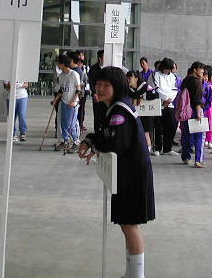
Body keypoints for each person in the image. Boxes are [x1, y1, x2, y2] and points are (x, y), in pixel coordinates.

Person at [78, 66, 155, 278]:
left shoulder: (119, 111)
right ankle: (131, 273)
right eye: (98, 84)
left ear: (118, 87)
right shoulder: (114, 107)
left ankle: (137, 275)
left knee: (130, 226)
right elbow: (106, 135)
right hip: (127, 172)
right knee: (126, 224)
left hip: (132, 175)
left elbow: (116, 144)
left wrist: (95, 145)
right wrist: (91, 140)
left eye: (106, 85)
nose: (100, 88)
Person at [51, 54, 82, 152]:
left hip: (72, 103)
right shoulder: (61, 76)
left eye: (59, 63)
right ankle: (65, 141)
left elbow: (78, 90)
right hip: (64, 101)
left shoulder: (74, 74)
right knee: (63, 123)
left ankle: (76, 142)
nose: (58, 65)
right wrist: (56, 100)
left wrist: (73, 101)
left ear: (63, 64)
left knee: (71, 124)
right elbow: (61, 90)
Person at [180, 62, 206, 167]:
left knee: (186, 134)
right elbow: (197, 99)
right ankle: (198, 160)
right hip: (195, 110)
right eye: (201, 69)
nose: (202, 71)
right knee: (199, 135)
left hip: (186, 111)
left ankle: (186, 157)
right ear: (195, 69)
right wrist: (199, 111)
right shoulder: (197, 81)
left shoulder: (185, 80)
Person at [152, 58, 179, 156]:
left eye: (169, 69)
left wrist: (169, 99)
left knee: (171, 126)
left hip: (170, 105)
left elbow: (175, 89)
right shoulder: (155, 74)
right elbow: (155, 88)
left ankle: (167, 148)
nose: (168, 71)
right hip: (159, 104)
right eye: (166, 68)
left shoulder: (173, 76)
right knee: (158, 126)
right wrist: (165, 98)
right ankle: (157, 148)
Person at [88, 49, 105, 130]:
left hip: (106, 95)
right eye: (104, 56)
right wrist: (94, 93)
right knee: (97, 114)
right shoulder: (93, 68)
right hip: (97, 95)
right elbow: (91, 82)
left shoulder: (108, 68)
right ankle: (97, 132)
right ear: (100, 58)